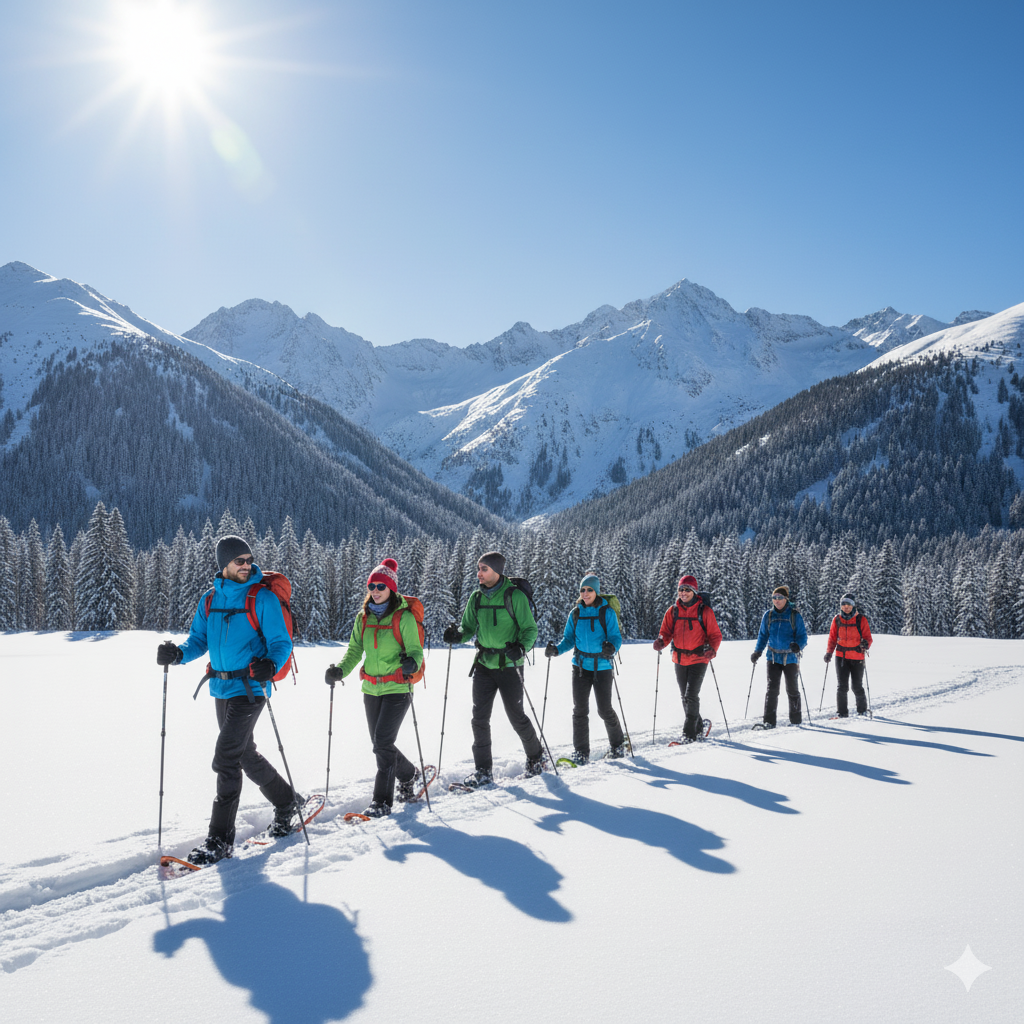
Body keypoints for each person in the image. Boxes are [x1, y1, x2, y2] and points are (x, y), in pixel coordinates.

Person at [156, 535, 301, 866]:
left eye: (249, 559)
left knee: (226, 760)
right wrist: (178, 654)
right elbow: (198, 640)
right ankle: (286, 801)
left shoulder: (260, 598)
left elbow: (282, 643)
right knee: (245, 756)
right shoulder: (210, 599)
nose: (246, 565)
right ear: (223, 564)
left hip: (251, 689)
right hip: (221, 689)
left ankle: (220, 839)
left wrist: (271, 665)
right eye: (239, 561)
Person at [324, 558, 424, 818]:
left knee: (382, 742)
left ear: (391, 588)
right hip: (371, 689)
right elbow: (355, 650)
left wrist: (412, 663)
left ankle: (382, 802)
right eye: (372, 585)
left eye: (381, 585)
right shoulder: (363, 617)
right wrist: (340, 671)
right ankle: (409, 774)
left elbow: (415, 650)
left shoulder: (403, 617)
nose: (376, 590)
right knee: (380, 743)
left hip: (398, 688)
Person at [443, 551, 543, 786]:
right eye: (478, 568)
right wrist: (457, 635)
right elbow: (467, 627)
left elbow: (530, 629)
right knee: (479, 719)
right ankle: (483, 771)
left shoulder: (514, 596)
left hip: (510, 665)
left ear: (496, 571)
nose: (479, 573)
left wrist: (521, 647)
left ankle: (536, 758)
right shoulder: (476, 597)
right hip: (484, 665)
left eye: (484, 569)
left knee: (516, 717)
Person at [545, 573, 625, 763]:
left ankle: (618, 745)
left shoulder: (607, 613)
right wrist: (556, 650)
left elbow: (616, 637)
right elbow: (569, 639)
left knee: (604, 710)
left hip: (603, 667)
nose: (586, 593)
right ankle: (581, 752)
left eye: (590, 589)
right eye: (583, 589)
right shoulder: (575, 613)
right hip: (580, 668)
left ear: (596, 591)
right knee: (580, 710)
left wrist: (612, 647)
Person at [652, 574, 722, 742]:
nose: (683, 593)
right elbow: (666, 632)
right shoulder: (673, 610)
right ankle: (698, 726)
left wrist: (712, 650)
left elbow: (715, 635)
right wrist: (662, 641)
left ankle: (689, 735)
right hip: (679, 659)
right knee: (685, 697)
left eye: (687, 590)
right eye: (681, 590)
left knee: (691, 696)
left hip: (699, 659)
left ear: (694, 591)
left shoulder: (704, 611)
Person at [750, 585, 807, 728]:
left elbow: (803, 636)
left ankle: (795, 720)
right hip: (773, 657)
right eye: (774, 598)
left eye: (780, 598)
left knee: (792, 689)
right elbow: (763, 635)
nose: (777, 600)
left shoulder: (794, 615)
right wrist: (758, 652)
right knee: (772, 690)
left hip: (791, 658)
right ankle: (769, 722)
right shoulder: (768, 615)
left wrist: (798, 645)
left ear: (786, 599)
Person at [824, 593, 872, 716]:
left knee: (857, 686)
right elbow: (832, 638)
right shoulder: (837, 619)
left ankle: (862, 711)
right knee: (842, 687)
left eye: (848, 604)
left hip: (857, 657)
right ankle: (842, 713)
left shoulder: (861, 619)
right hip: (841, 657)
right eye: (843, 604)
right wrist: (829, 652)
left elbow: (868, 637)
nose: (846, 607)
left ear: (853, 605)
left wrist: (865, 644)